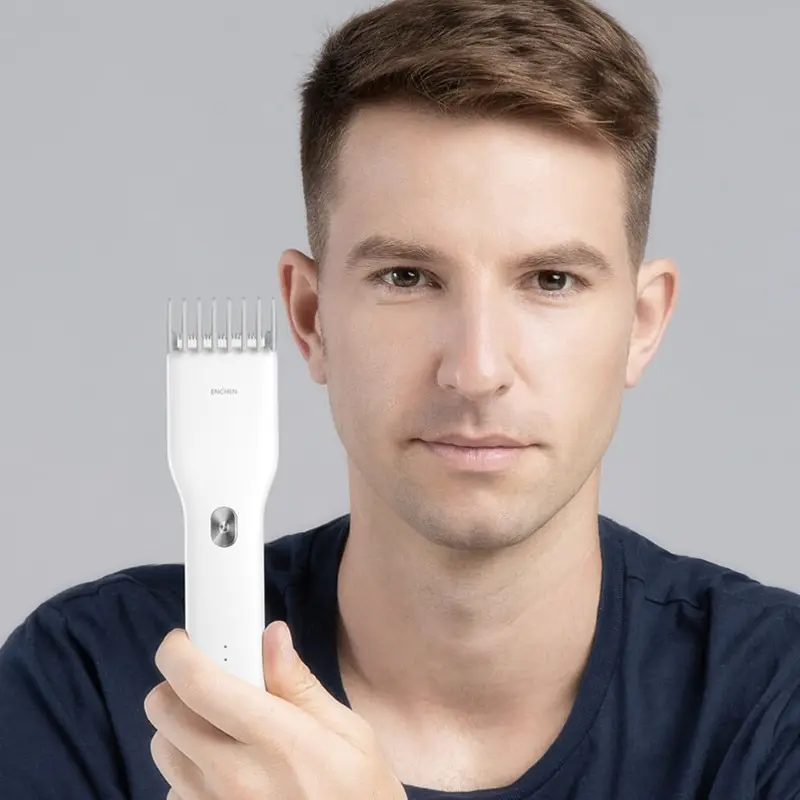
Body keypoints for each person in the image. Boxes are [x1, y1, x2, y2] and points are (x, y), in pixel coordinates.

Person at [2, 0, 799, 797]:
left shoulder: (777, 701)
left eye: (551, 280)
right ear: (310, 317)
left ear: (642, 324)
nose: (476, 370)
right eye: (407, 277)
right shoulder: (87, 688)